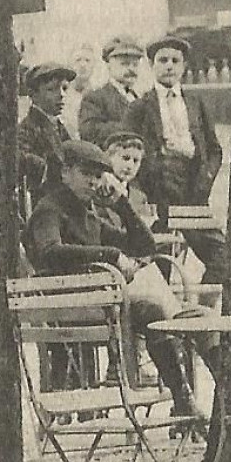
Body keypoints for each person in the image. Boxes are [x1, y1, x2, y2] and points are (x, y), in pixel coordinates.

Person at [23, 140, 203, 419]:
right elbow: (49, 252)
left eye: (98, 176)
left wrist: (121, 205)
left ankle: (186, 400)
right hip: (70, 308)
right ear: (65, 172)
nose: (94, 183)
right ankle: (183, 401)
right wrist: (111, 255)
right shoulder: (51, 209)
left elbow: (145, 246)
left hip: (96, 304)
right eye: (87, 174)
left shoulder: (85, 214)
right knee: (154, 310)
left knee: (180, 314)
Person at [126, 36, 226, 286]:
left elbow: (214, 150)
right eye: (162, 60)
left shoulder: (195, 103)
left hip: (193, 197)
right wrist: (139, 190)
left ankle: (198, 314)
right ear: (152, 65)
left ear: (183, 66)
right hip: (157, 200)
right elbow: (125, 148)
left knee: (224, 259)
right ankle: (165, 319)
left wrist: (205, 180)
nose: (169, 66)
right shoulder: (140, 106)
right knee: (157, 271)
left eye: (175, 61)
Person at [17, 62, 75, 216]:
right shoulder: (27, 130)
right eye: (52, 89)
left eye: (64, 88)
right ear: (33, 94)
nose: (61, 94)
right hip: (43, 211)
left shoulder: (60, 127)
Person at [79, 36, 147, 147]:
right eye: (124, 64)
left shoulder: (142, 98)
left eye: (135, 65)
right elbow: (89, 133)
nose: (131, 69)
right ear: (109, 65)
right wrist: (127, 126)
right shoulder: (95, 98)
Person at [61, 43, 98, 139]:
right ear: (70, 64)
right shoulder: (62, 96)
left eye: (87, 61)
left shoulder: (99, 96)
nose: (83, 65)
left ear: (94, 65)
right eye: (78, 60)